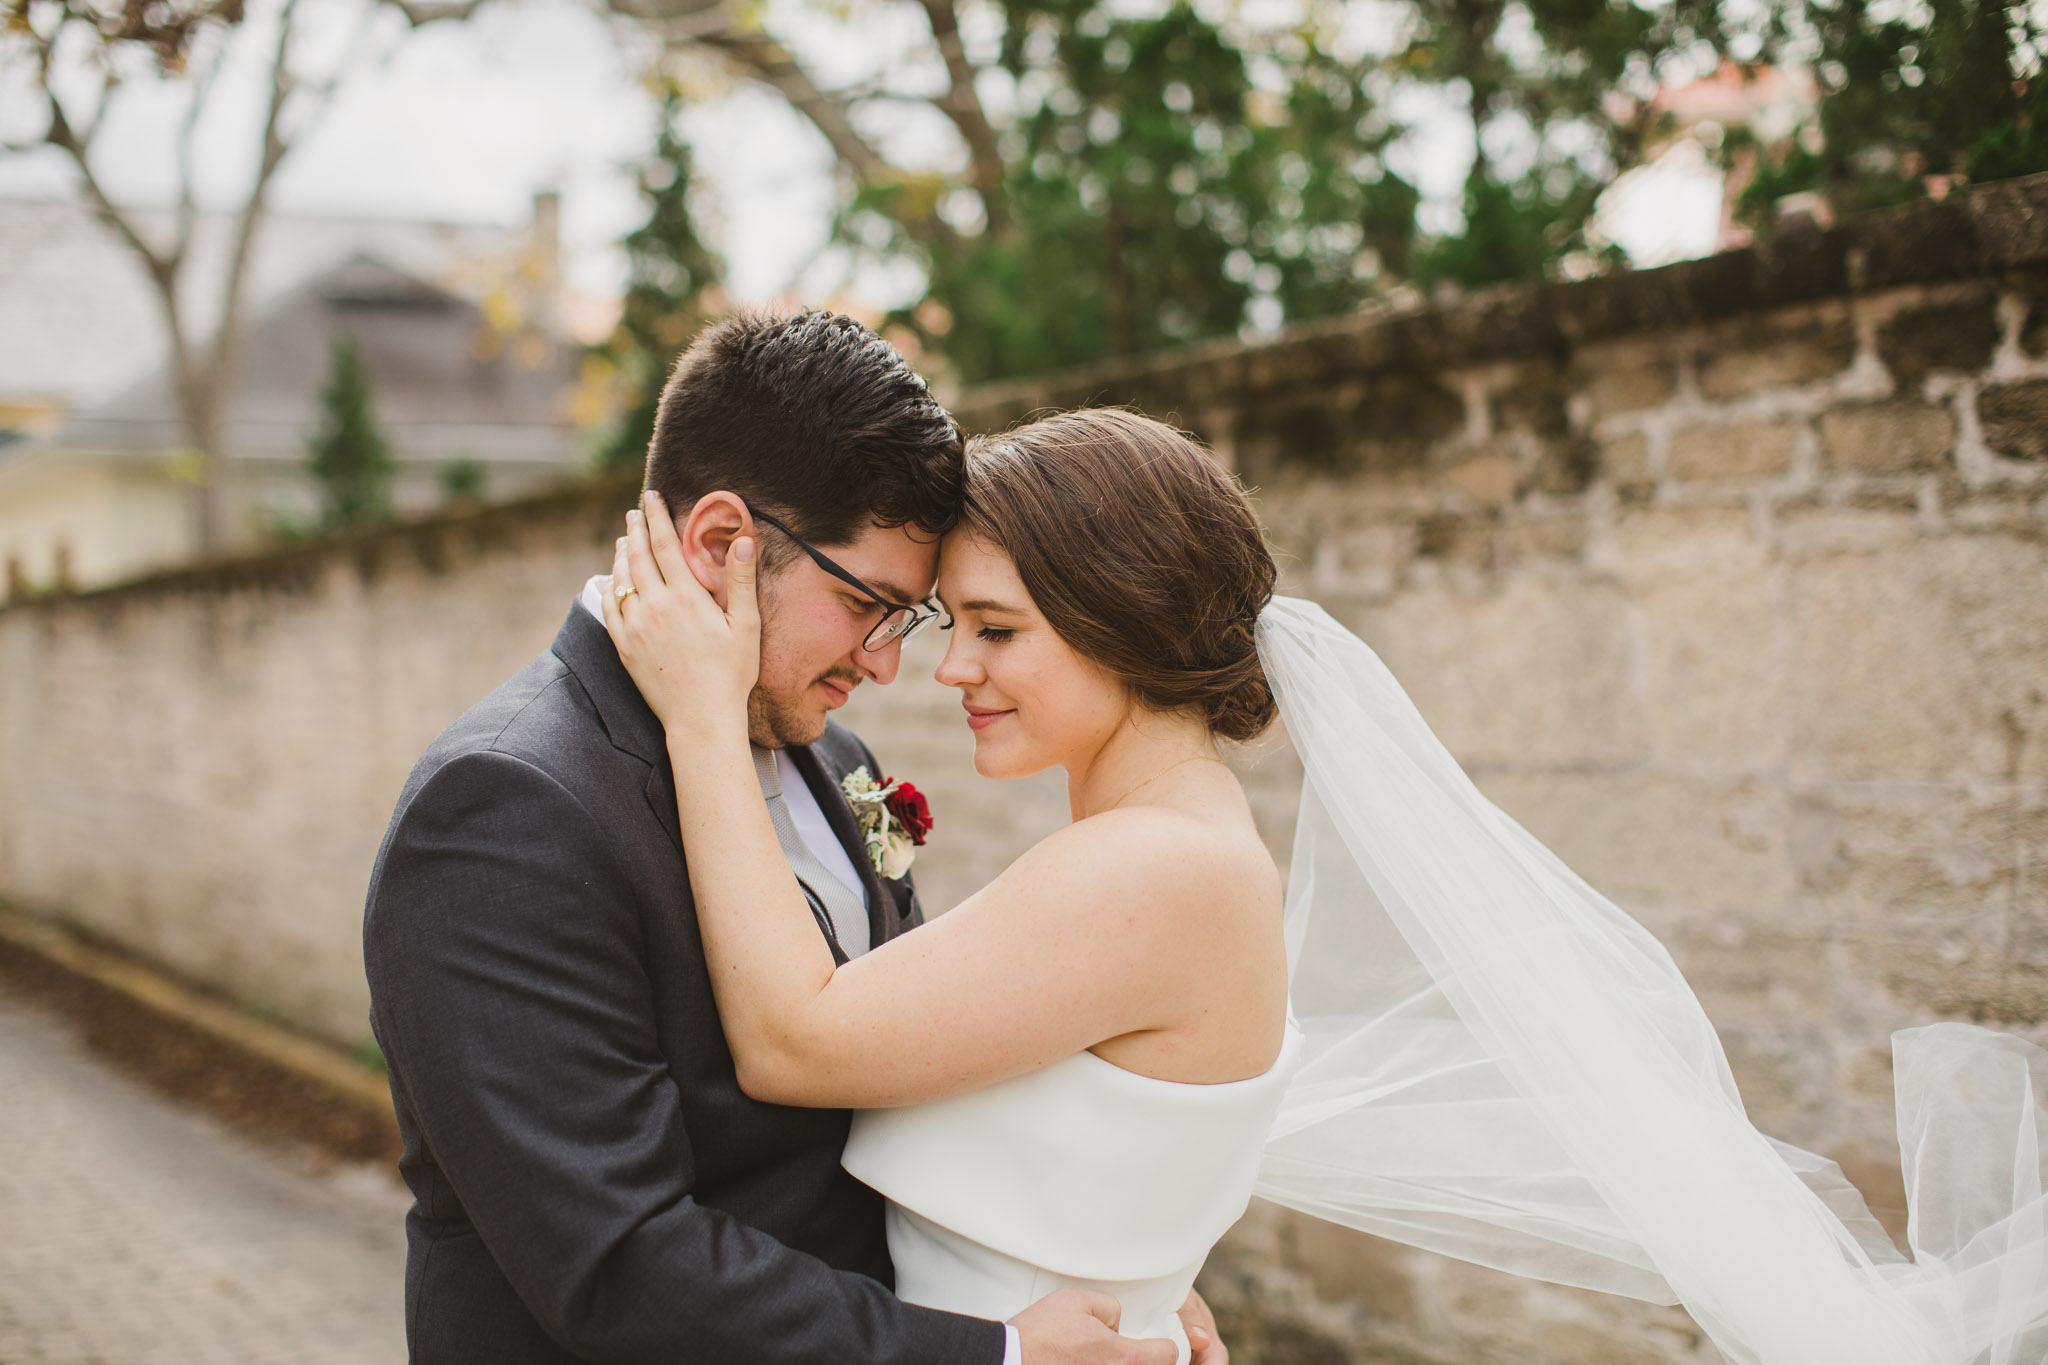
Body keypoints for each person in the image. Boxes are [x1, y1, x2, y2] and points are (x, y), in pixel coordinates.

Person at [608, 406, 2048, 1365]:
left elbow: (797, 1039)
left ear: (1119, 625)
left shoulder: (1156, 872)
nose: (951, 669)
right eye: (949, 625)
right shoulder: (1172, 848)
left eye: (995, 629)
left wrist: (695, 713)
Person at [362, 314, 1219, 1365]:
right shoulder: (505, 809)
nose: (887, 663)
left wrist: (1118, 1277)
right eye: (869, 605)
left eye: (906, 621)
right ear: (722, 545)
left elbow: (907, 1084)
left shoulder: (838, 759)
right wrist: (994, 1354)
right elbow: (618, 1267)